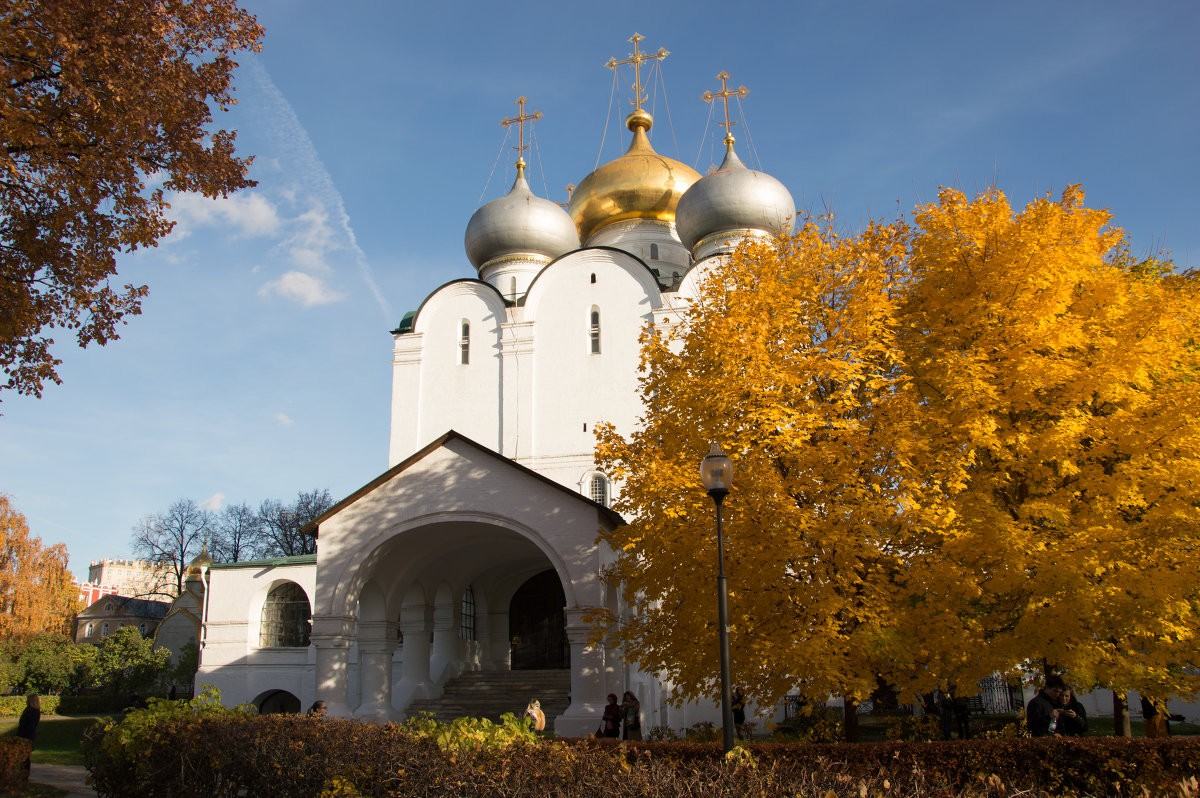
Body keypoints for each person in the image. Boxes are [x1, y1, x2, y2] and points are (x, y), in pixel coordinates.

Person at [16, 695, 40, 774]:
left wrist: (23, 736)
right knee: (22, 757)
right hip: (23, 735)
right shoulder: (28, 710)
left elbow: (31, 726)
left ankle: (25, 773)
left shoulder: (34, 712)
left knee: (25, 757)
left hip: (27, 737)